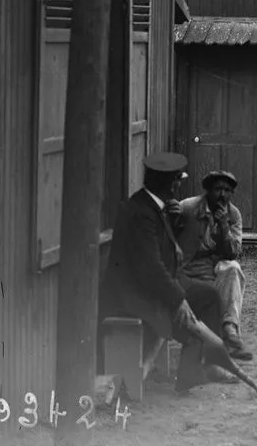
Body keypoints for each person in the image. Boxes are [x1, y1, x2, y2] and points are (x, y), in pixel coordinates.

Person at [100, 152, 233, 392]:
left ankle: (193, 371)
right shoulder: (142, 214)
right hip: (133, 294)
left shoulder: (152, 206)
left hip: (153, 284)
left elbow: (165, 254)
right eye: (178, 181)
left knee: (209, 296)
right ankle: (191, 371)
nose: (179, 185)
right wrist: (178, 298)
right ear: (171, 184)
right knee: (186, 314)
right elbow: (150, 268)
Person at [176, 170, 253, 361]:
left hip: (214, 265)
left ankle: (230, 331)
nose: (222, 195)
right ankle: (217, 349)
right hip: (188, 265)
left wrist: (224, 227)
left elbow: (232, 253)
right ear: (207, 191)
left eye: (227, 190)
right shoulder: (188, 207)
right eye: (217, 189)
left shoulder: (233, 214)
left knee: (233, 268)